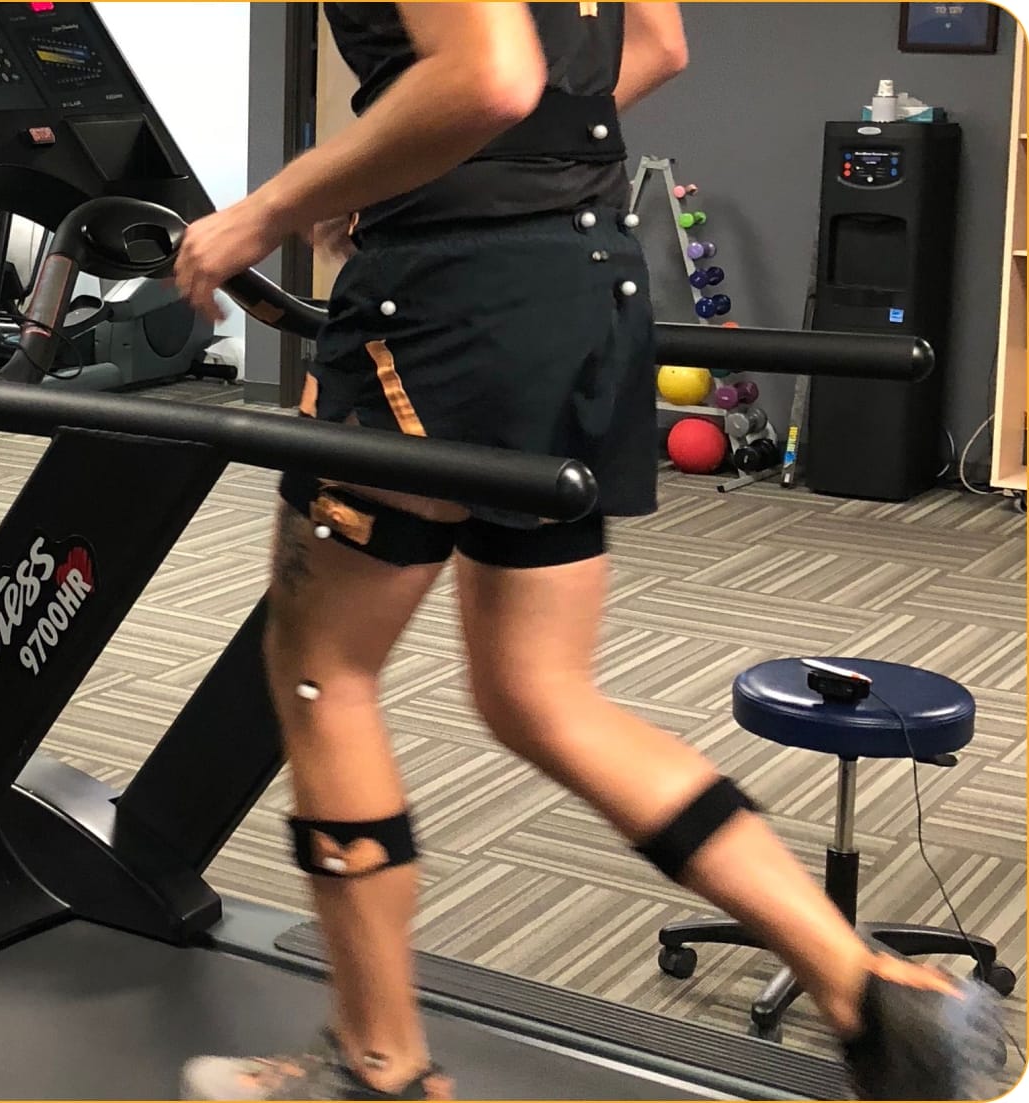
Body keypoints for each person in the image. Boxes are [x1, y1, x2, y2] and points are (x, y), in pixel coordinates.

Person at [171, 4, 1005, 1100]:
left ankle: (377, 1068)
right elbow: (651, 47)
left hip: (450, 302)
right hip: (586, 281)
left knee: (326, 674)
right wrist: (439, 167)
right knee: (541, 695)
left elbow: (491, 76)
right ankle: (866, 986)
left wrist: (274, 207)